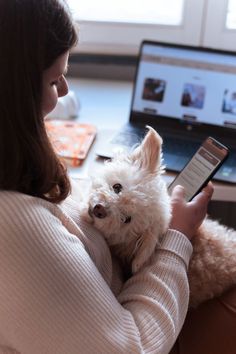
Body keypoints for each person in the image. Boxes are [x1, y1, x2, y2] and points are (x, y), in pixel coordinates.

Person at [0, 1, 224, 353]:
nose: (63, 92)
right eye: (53, 79)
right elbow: (130, 348)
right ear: (12, 90)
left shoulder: (12, 163)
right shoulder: (16, 228)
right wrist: (175, 238)